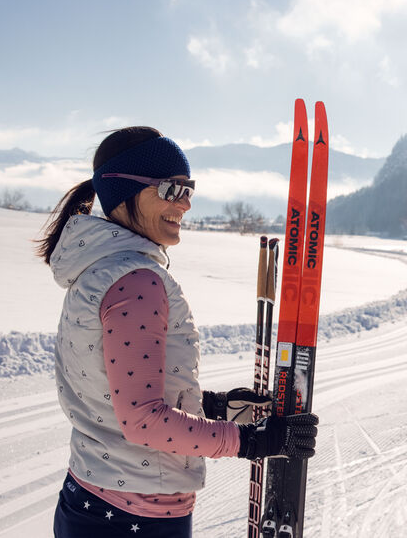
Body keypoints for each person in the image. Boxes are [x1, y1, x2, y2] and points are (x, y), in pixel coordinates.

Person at [37, 127, 318, 537]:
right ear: (124, 191)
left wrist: (213, 406)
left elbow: (113, 391)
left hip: (95, 501)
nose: (185, 203)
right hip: (134, 519)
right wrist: (252, 441)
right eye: (171, 189)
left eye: (189, 189)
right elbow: (142, 420)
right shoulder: (136, 281)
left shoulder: (98, 269)